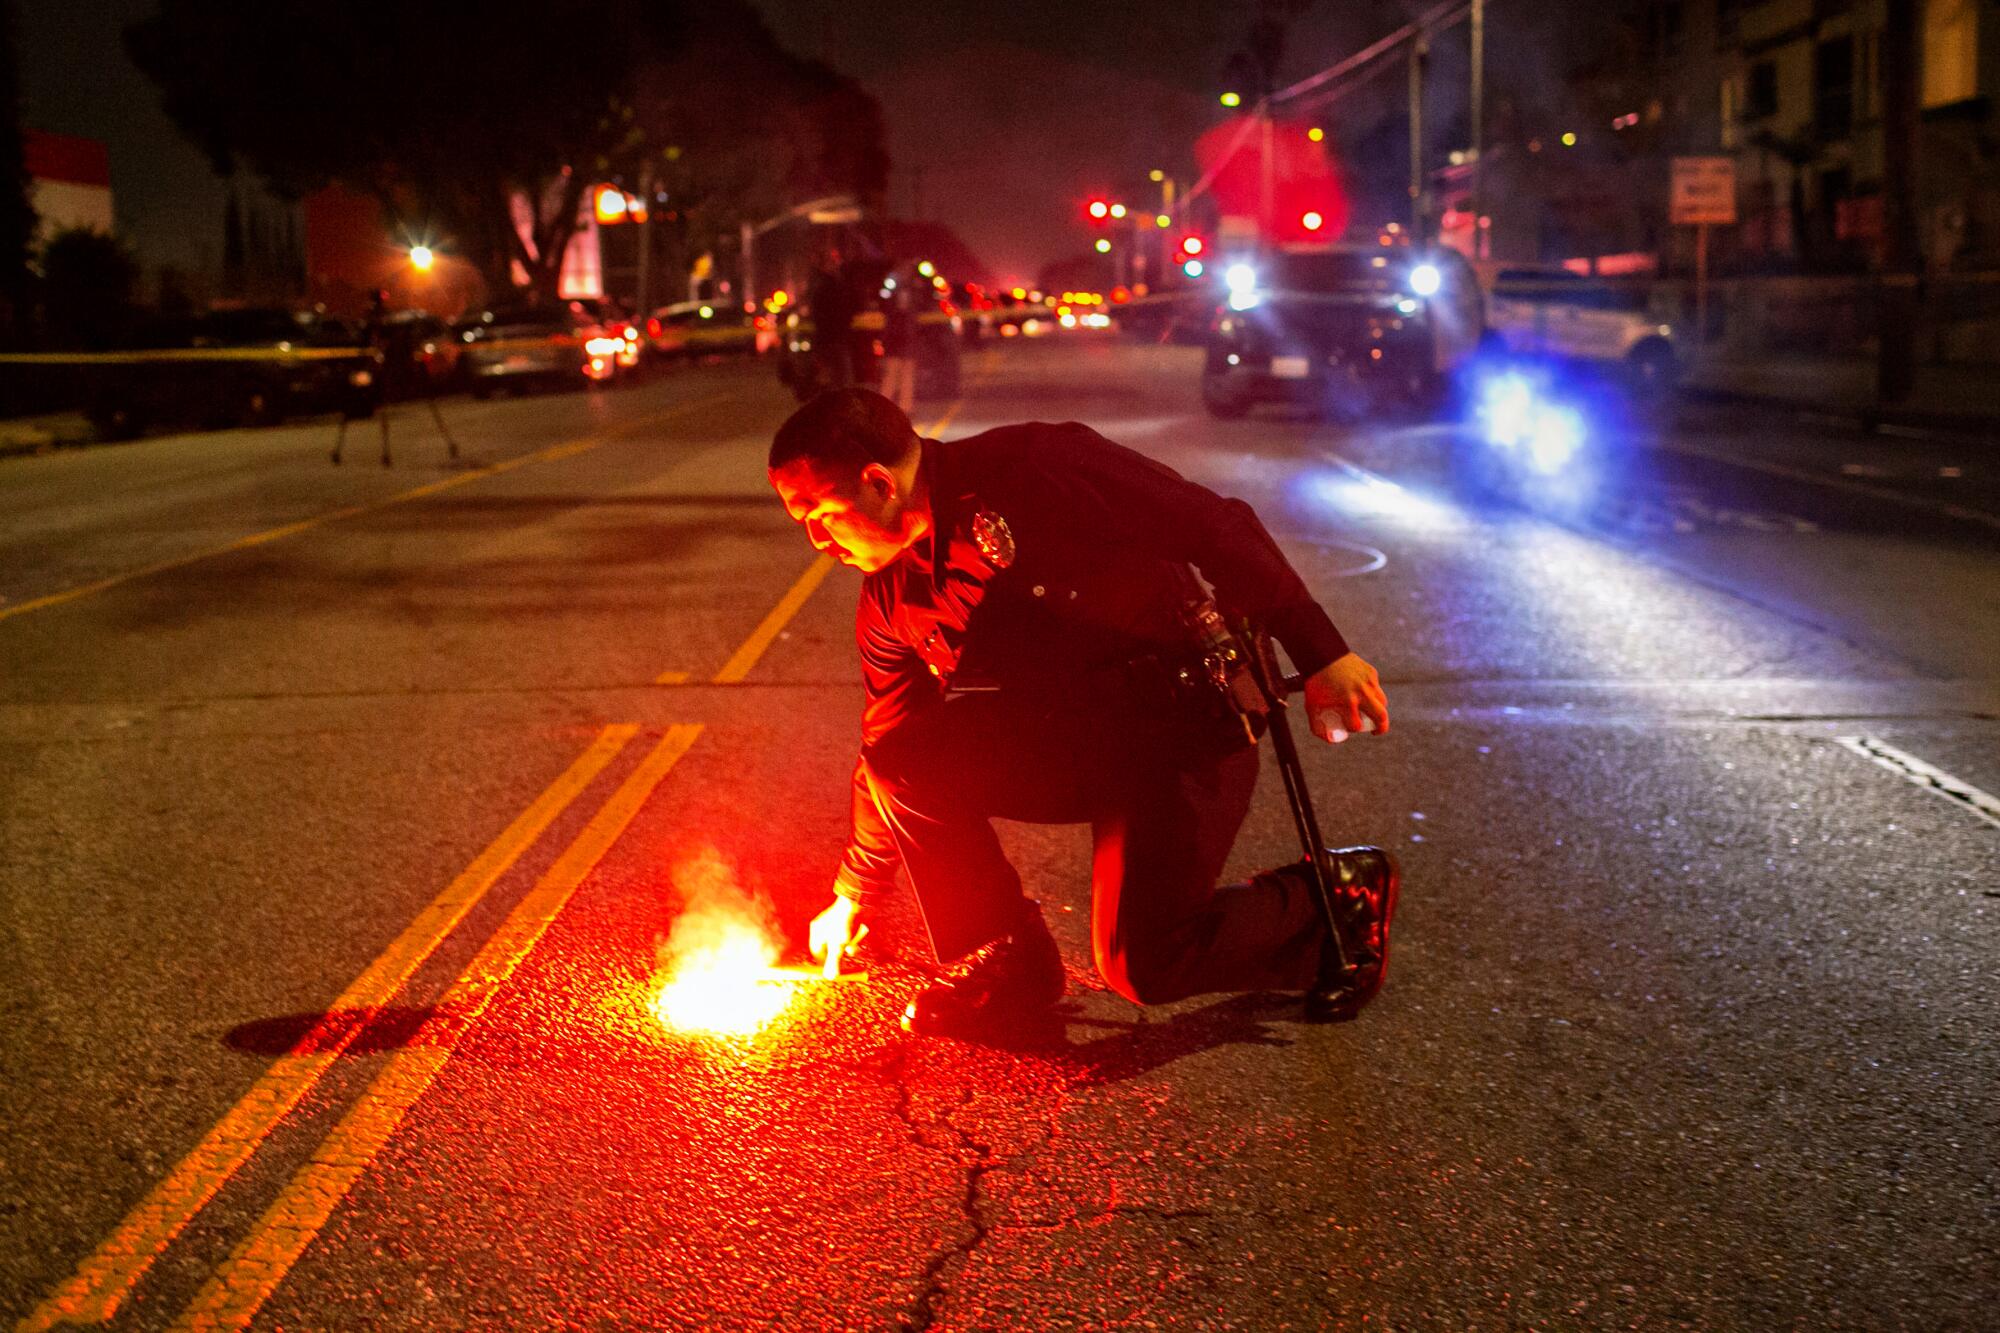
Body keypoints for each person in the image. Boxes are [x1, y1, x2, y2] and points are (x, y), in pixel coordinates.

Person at [768, 389, 1399, 1036]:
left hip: (1181, 731)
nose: (817, 539)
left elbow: (1214, 524)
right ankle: (1010, 958)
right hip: (1071, 741)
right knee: (905, 757)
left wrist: (1324, 656)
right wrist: (856, 890)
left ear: (878, 481)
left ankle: (1335, 900)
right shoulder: (891, 598)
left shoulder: (1039, 465)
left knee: (1146, 965)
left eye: (821, 513)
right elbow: (890, 743)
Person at [805, 248, 858, 392]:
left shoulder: (827, 284)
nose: (836, 264)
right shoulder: (828, 286)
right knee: (839, 381)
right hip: (832, 340)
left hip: (830, 340)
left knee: (834, 380)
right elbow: (836, 313)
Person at [877, 266, 918, 413]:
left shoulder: (913, 288)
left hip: (906, 338)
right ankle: (884, 408)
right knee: (891, 375)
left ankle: (904, 408)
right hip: (896, 339)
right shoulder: (892, 287)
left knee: (906, 375)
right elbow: (884, 305)